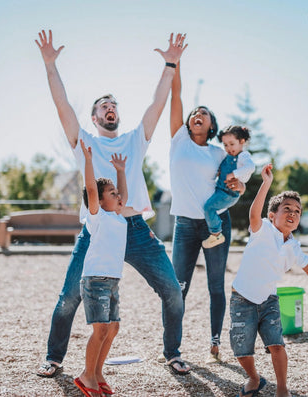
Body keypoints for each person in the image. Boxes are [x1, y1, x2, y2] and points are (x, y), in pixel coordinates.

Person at [34, 30, 192, 377]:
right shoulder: (85, 142)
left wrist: (170, 64)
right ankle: (54, 356)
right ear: (94, 118)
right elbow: (62, 106)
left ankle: (173, 352)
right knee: (68, 298)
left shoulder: (136, 140)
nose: (110, 109)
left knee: (172, 291)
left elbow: (156, 105)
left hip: (134, 228)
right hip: (96, 229)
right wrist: (50, 66)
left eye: (114, 106)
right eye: (103, 107)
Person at [229, 163, 308, 397]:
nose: (292, 213)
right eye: (286, 208)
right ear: (272, 215)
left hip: (268, 301)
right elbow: (253, 214)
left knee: (277, 345)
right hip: (242, 298)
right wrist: (266, 183)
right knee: (242, 351)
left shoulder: (294, 247)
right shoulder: (262, 229)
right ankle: (254, 378)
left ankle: (282, 389)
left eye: (297, 211)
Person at [169, 60, 245, 364]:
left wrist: (239, 185)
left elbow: (234, 184)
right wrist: (173, 63)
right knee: (178, 289)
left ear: (212, 125)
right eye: (193, 114)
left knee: (216, 285)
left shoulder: (219, 152)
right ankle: (172, 349)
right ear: (188, 123)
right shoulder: (178, 142)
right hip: (185, 225)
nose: (197, 115)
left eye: (204, 113)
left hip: (216, 226)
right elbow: (176, 98)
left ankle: (215, 342)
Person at [74, 143, 126, 396]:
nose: (118, 196)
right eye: (112, 193)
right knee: (101, 329)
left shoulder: (118, 217)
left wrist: (121, 171)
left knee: (113, 327)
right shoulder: (97, 217)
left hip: (113, 280)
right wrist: (88, 160)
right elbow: (92, 189)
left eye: (117, 193)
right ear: (99, 200)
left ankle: (97, 372)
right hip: (95, 280)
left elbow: (122, 195)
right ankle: (86, 375)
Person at [202, 125, 254, 249]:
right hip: (221, 190)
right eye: (225, 145)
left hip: (229, 193)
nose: (228, 148)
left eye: (232, 144)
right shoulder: (229, 156)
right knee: (209, 207)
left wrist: (234, 174)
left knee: (208, 208)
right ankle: (216, 230)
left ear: (241, 141)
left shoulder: (243, 156)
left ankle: (216, 234)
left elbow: (251, 167)